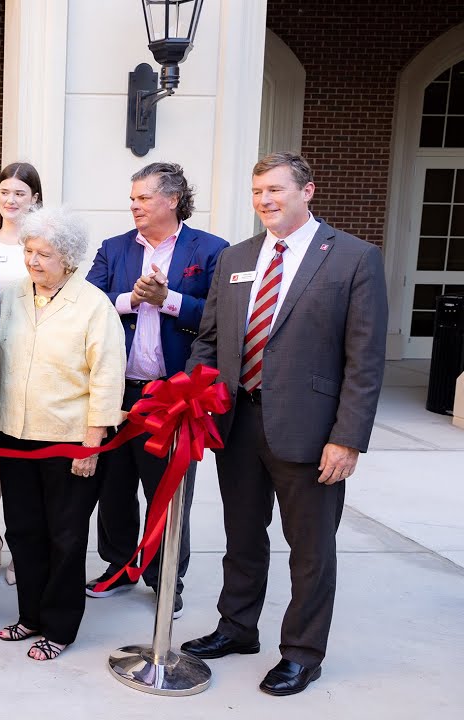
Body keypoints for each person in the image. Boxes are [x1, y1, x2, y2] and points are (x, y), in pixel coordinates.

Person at [181, 152, 387, 696]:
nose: (265, 200)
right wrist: (193, 398)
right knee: (242, 536)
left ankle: (302, 653)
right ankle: (237, 627)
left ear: (307, 191)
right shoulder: (236, 258)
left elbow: (365, 360)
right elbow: (209, 340)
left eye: (275, 189)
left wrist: (347, 438)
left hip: (311, 432)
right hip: (238, 423)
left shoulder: (354, 258)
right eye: (257, 192)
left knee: (311, 549)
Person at [84, 162, 228, 617]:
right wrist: (132, 299)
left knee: (168, 489)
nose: (135, 206)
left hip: (173, 395)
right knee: (114, 486)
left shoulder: (211, 250)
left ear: (173, 199)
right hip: (117, 392)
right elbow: (86, 305)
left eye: (144, 198)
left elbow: (220, 315)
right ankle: (119, 565)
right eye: (133, 198)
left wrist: (169, 300)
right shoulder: (114, 249)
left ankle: (166, 577)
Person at [0, 206, 126, 662]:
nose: (33, 260)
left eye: (44, 254)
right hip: (14, 432)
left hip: (70, 441)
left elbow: (107, 378)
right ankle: (30, 615)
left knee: (65, 537)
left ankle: (60, 627)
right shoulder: (11, 295)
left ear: (67, 259)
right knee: (22, 530)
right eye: (29, 251)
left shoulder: (94, 305)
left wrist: (92, 443)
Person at [0, 162, 43, 584]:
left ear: (35, 198)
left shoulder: (42, 245)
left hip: (29, 362)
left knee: (24, 457)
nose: (11, 199)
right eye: (5, 192)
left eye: (20, 192)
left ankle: (22, 543)